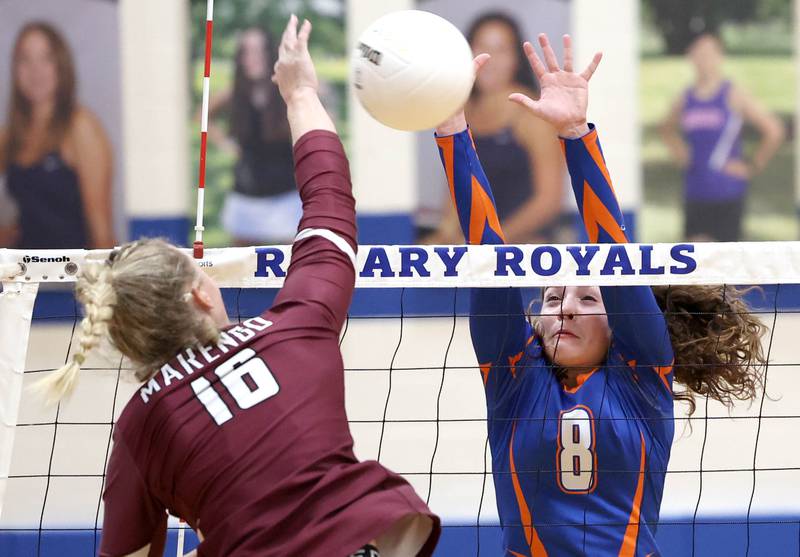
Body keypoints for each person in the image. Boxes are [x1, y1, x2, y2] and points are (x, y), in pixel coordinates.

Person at [38, 16, 439, 557]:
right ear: (202, 294)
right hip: (357, 538)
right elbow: (329, 207)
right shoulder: (294, 329)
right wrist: (299, 94)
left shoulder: (140, 426)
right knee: (381, 525)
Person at [434, 34, 766, 555]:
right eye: (550, 299)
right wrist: (452, 129)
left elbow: (614, 252)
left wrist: (574, 134)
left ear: (621, 323)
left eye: (589, 300)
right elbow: (487, 253)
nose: (563, 305)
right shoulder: (513, 380)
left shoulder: (642, 375)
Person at [421, 12, 564, 245]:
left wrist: (495, 241)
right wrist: (446, 235)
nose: (490, 59)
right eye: (482, 47)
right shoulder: (461, 109)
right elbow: (457, 185)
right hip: (476, 246)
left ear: (515, 59)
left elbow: (548, 201)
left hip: (526, 245)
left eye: (501, 50)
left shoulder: (531, 114)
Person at [0, 21, 115, 249]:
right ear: (15, 69)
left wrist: (103, 282)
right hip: (24, 276)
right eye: (25, 59)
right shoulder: (11, 135)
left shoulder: (81, 128)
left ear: (61, 65)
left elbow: (101, 228)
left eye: (46, 58)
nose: (35, 70)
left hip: (70, 276)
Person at [660, 32, 784, 242]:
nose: (703, 59)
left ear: (720, 57)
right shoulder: (686, 97)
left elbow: (774, 130)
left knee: (725, 263)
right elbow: (666, 129)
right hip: (695, 190)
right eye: (698, 53)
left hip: (727, 192)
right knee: (695, 264)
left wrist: (752, 166)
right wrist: (682, 155)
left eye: (709, 54)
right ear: (691, 57)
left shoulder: (732, 94)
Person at [205, 26, 301, 246]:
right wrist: (225, 144)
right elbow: (204, 115)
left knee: (292, 262)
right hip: (246, 194)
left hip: (284, 195)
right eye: (246, 52)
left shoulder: (285, 92)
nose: (252, 58)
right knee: (240, 266)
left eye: (258, 51)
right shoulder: (235, 93)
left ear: (270, 54)